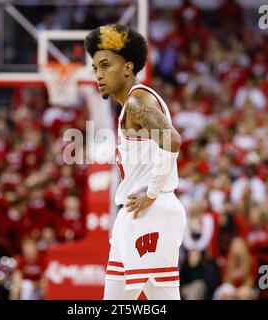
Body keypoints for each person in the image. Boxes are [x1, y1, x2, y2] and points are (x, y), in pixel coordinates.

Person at [85, 24, 185, 300]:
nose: (99, 74)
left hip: (151, 212)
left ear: (128, 68)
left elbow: (172, 140)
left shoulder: (138, 102)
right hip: (133, 213)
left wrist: (151, 194)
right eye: (95, 68)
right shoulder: (132, 104)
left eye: (106, 65)